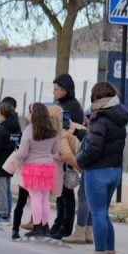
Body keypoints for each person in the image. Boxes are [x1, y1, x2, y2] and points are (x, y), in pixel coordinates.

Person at [75, 81, 128, 254]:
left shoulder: (101, 118)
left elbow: (93, 148)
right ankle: (110, 253)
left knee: (98, 213)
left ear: (97, 98)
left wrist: (79, 159)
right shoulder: (120, 117)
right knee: (104, 213)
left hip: (97, 171)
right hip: (114, 170)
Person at [14, 102, 61, 238]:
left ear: (34, 115)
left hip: (32, 167)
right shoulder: (52, 131)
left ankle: (36, 226)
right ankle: (45, 227)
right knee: (45, 198)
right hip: (47, 167)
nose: (28, 115)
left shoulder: (29, 130)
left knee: (35, 198)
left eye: (30, 112)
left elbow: (22, 152)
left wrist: (16, 154)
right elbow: (56, 150)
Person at [51, 74, 85, 239]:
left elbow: (65, 130)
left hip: (68, 153)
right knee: (60, 190)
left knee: (66, 191)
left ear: (64, 90)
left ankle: (65, 225)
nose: (54, 92)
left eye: (56, 89)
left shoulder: (70, 108)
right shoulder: (63, 104)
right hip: (60, 151)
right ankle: (59, 222)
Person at [0, 96, 21, 221]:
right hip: (3, 161)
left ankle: (3, 213)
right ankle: (2, 211)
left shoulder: (9, 126)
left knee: (1, 188)